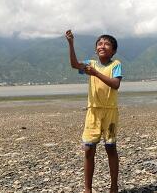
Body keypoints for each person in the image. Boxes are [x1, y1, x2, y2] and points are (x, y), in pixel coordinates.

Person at [66, 30, 123, 193]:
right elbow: (74, 64)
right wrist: (71, 44)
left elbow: (115, 84)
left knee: (110, 148)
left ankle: (114, 186)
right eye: (99, 43)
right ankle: (87, 188)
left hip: (110, 111)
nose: (102, 46)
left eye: (106, 43)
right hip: (93, 111)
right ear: (95, 48)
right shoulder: (90, 63)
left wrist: (96, 73)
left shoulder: (115, 64)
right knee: (89, 149)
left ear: (113, 50)